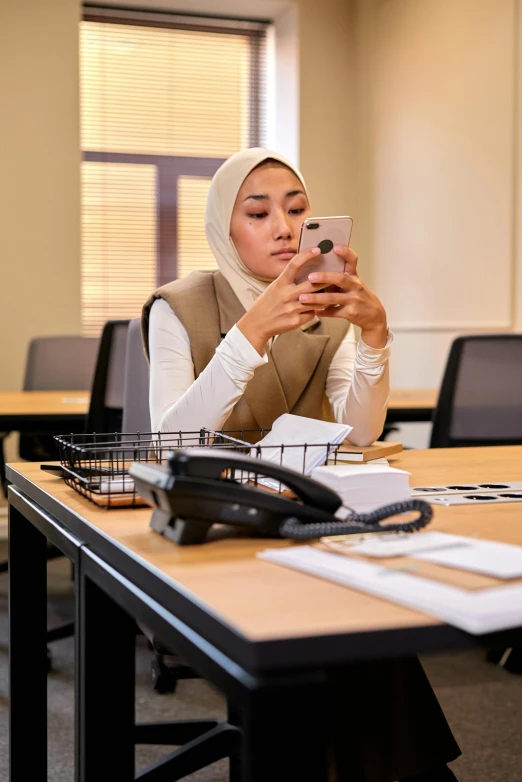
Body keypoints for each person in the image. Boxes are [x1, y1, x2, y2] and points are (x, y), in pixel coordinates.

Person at [141, 147, 460, 781]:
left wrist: (374, 337)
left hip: (298, 518)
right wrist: (251, 333)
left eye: (299, 210)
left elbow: (359, 430)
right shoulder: (177, 307)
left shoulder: (328, 309)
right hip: (209, 527)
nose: (285, 229)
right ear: (225, 229)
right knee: (348, 620)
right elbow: (169, 444)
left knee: (354, 611)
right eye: (258, 213)